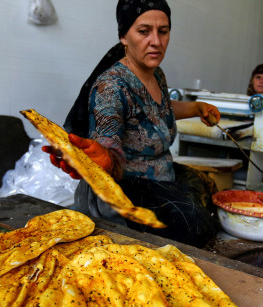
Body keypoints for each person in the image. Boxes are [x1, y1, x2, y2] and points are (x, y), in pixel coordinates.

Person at [43, 0, 222, 248]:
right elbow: (107, 138)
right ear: (124, 37)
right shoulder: (111, 87)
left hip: (160, 177)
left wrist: (195, 107)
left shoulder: (156, 74)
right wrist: (105, 159)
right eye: (144, 31)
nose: (156, 41)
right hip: (125, 189)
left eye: (163, 31)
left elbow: (157, 110)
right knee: (193, 222)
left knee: (209, 189)